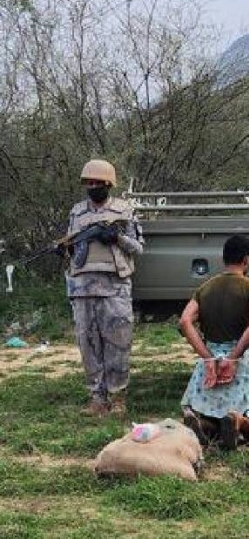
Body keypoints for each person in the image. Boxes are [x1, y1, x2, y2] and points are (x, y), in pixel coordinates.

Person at [179, 235, 249, 450]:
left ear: (223, 259)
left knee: (209, 410)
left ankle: (203, 424)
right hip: (240, 361)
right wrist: (233, 357)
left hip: (211, 362)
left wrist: (207, 358)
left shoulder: (205, 288)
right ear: (247, 260)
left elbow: (185, 321)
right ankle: (239, 422)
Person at [66, 159, 143, 417]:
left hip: (115, 286)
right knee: (87, 344)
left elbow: (138, 247)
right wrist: (64, 249)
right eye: (88, 183)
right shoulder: (77, 212)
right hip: (82, 286)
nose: (92, 186)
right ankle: (96, 398)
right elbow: (72, 246)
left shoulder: (124, 210)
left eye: (97, 182)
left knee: (118, 344)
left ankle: (117, 397)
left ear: (108, 184)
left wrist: (116, 237)